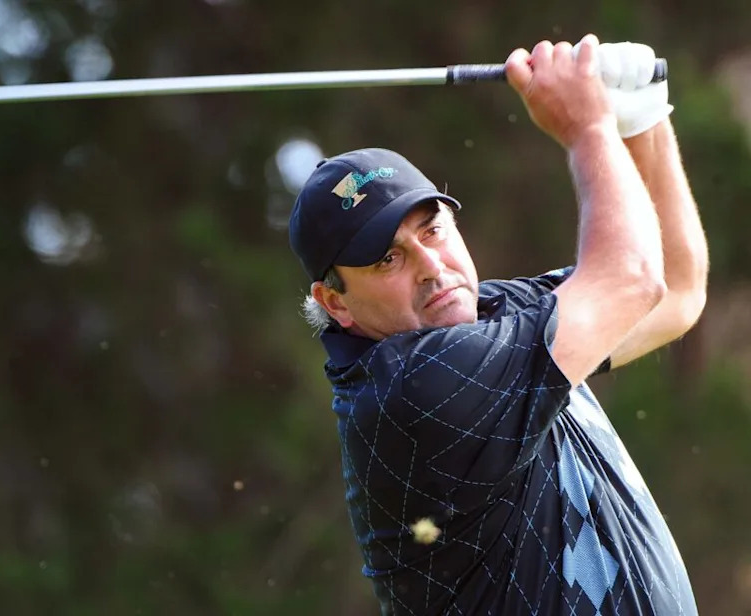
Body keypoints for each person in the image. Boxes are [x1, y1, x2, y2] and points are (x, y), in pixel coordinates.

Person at [288, 34, 707, 615]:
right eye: (388, 259)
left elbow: (672, 291)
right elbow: (631, 280)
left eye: (431, 230)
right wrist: (589, 129)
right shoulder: (414, 387)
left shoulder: (495, 315)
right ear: (336, 305)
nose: (432, 268)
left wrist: (642, 119)